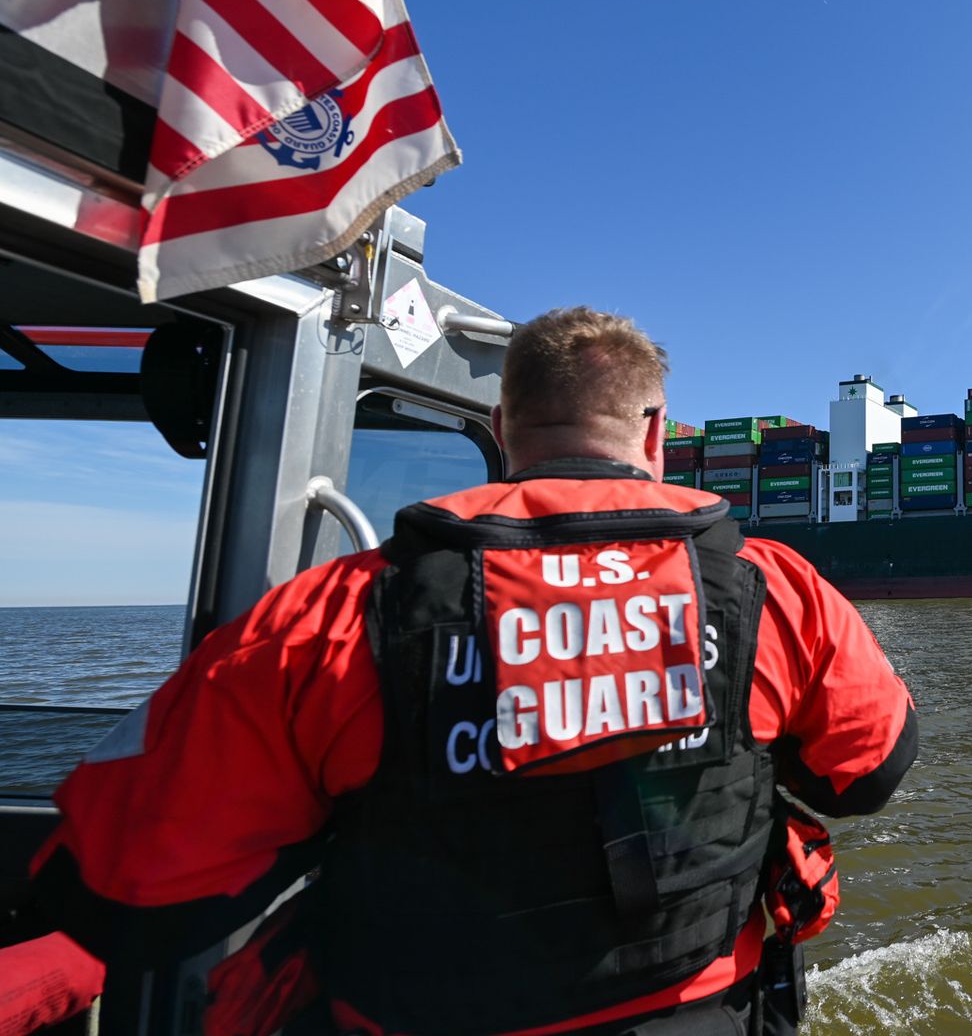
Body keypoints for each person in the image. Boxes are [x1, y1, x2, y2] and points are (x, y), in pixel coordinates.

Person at [29, 307, 918, 1035]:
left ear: (501, 425)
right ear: (656, 432)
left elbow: (142, 866)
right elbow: (869, 775)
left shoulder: (330, 613)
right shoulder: (778, 591)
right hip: (703, 1011)